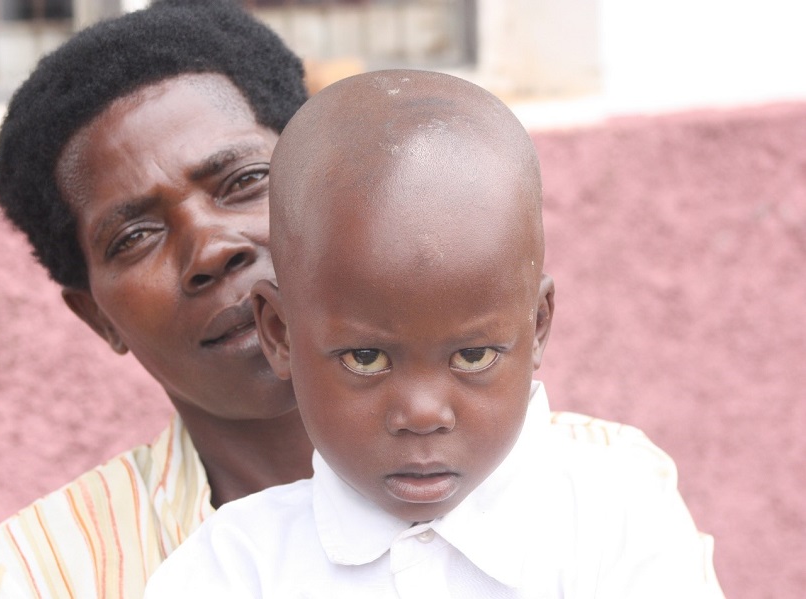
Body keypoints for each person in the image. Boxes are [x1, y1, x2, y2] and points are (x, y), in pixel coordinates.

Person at [144, 70, 724, 598]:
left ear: (538, 326)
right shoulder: (231, 570)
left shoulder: (618, 527)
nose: (422, 414)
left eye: (473, 356)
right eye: (365, 358)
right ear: (280, 335)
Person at [0, 1, 316, 597]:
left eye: (245, 181)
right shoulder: (41, 577)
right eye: (134, 237)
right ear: (98, 318)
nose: (210, 249)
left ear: (329, 180)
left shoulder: (492, 489)